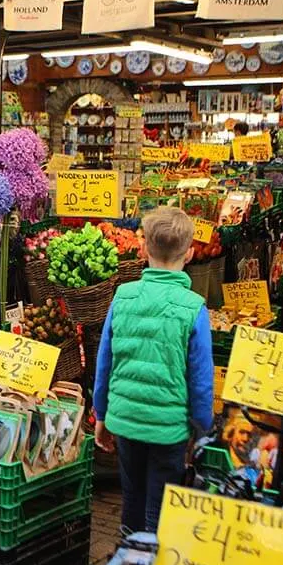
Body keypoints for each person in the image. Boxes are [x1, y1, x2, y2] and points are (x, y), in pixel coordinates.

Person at [93, 207, 214, 534]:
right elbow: (201, 379)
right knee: (160, 501)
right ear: (189, 253)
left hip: (126, 420)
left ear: (143, 249)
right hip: (168, 428)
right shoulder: (193, 308)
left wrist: (101, 414)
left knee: (131, 493)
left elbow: (105, 360)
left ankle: (126, 559)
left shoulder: (123, 296)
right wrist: (202, 428)